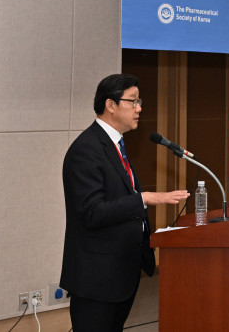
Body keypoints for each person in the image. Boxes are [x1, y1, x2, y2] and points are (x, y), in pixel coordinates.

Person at [60, 73, 189, 331]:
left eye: (139, 102)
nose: (139, 108)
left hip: (120, 272)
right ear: (110, 105)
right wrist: (144, 198)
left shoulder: (115, 144)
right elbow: (91, 212)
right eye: (133, 101)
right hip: (97, 277)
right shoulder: (87, 149)